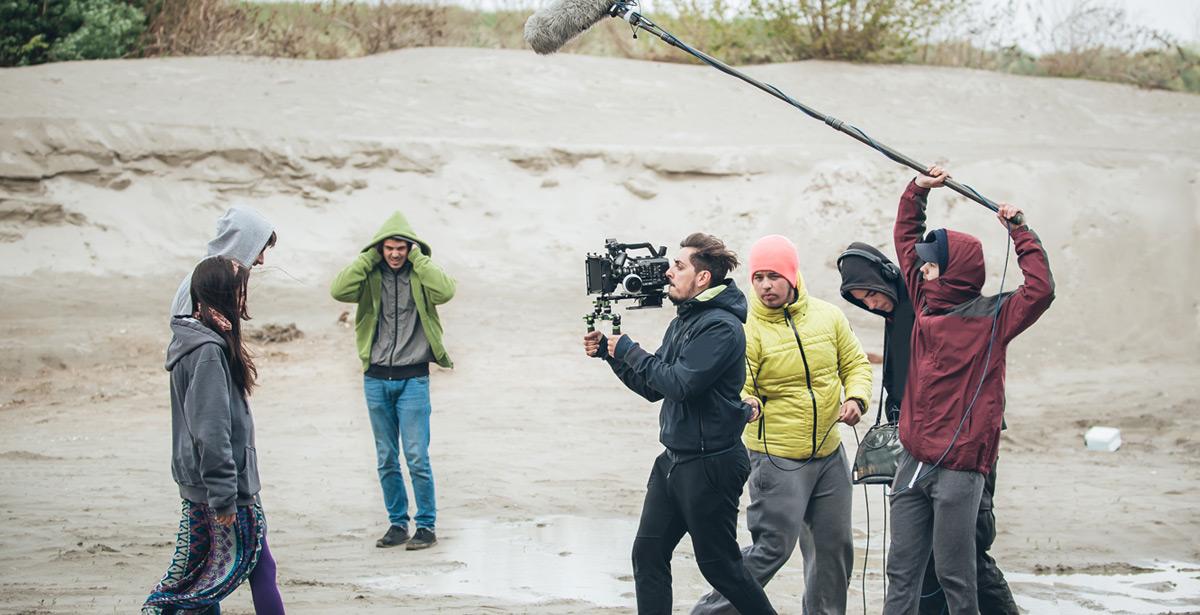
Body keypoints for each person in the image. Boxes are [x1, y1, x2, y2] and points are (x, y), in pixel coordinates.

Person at [883, 166, 1054, 614]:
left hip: (961, 469)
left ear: (955, 271)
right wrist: (918, 190)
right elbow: (906, 239)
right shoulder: (923, 302)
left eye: (932, 262)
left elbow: (1040, 290)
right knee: (900, 572)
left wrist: (1020, 232)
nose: (922, 266)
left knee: (956, 576)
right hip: (914, 462)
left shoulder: (994, 318)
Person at [583, 233, 776, 615]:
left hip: (710, 465)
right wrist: (612, 354)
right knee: (648, 555)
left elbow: (681, 384)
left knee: (721, 568)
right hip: (673, 460)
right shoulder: (686, 321)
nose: (668, 273)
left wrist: (630, 350)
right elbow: (654, 387)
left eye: (679, 266)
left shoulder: (721, 327)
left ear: (703, 279)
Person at [692, 235, 873, 615]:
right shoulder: (745, 328)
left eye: (773, 276)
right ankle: (709, 613)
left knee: (833, 548)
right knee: (772, 548)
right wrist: (746, 401)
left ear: (792, 275)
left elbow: (855, 364)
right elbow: (736, 384)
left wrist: (856, 398)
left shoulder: (829, 316)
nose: (765, 286)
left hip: (829, 455)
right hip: (776, 457)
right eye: (758, 277)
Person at [838, 241, 1019, 615]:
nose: (870, 304)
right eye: (861, 300)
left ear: (889, 277)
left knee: (968, 551)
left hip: (964, 445)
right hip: (918, 446)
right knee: (917, 557)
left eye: (872, 293)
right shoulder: (897, 314)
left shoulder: (924, 308)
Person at [144, 256, 285, 614]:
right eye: (239, 290)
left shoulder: (203, 336)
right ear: (224, 294)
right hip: (222, 488)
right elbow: (211, 429)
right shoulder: (207, 350)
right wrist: (223, 495)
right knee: (204, 584)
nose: (243, 298)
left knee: (205, 579)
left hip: (212, 485)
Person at [330, 212, 455, 551]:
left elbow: (446, 291)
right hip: (375, 379)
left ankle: (426, 526)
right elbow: (338, 289)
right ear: (380, 249)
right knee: (386, 457)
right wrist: (368, 256)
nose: (395, 254)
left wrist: (419, 257)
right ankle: (397, 523)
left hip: (413, 378)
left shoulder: (420, 274)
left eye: (401, 248)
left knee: (416, 456)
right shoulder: (371, 274)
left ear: (410, 248)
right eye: (389, 248)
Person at [170, 206, 277, 319]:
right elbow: (189, 333)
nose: (261, 260)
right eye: (259, 250)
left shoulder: (217, 280)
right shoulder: (203, 284)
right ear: (242, 244)